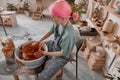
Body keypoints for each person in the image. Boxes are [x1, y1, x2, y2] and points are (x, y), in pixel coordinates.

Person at [32, 0, 82, 80]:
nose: (51, 19)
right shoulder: (58, 22)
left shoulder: (69, 34)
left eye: (53, 17)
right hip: (55, 45)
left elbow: (63, 53)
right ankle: (52, 68)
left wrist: (45, 53)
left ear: (62, 18)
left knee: (43, 77)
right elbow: (50, 32)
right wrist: (39, 41)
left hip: (62, 55)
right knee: (38, 49)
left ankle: (58, 72)